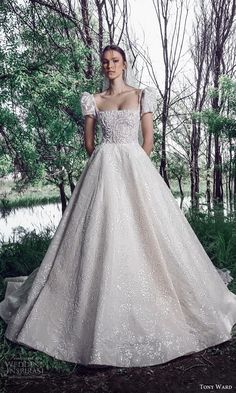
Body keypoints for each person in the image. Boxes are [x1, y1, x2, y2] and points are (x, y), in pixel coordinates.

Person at [0, 44, 236, 369]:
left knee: (148, 232)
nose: (110, 66)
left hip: (135, 169)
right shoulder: (93, 100)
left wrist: (135, 168)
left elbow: (148, 139)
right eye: (105, 62)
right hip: (103, 170)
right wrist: (106, 163)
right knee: (100, 233)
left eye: (115, 61)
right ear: (102, 66)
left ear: (124, 64)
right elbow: (88, 142)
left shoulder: (142, 95)